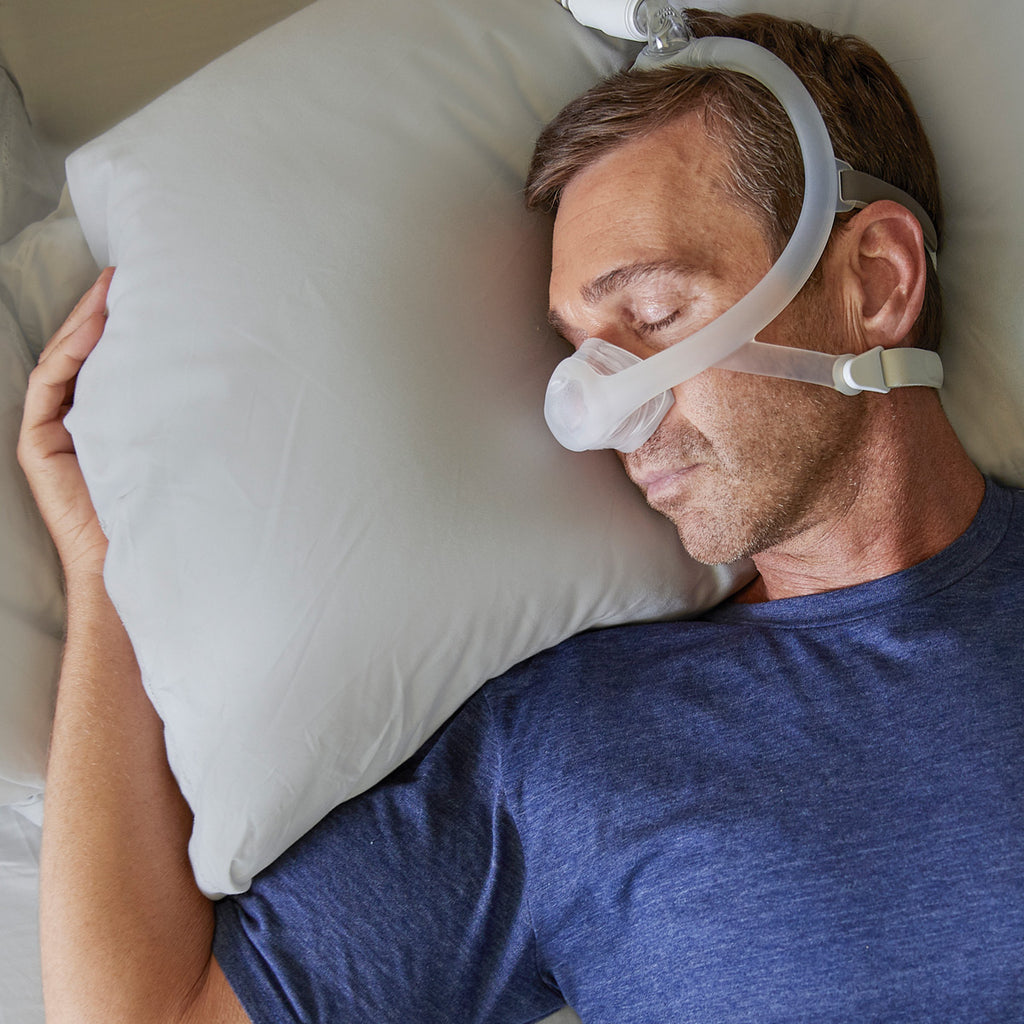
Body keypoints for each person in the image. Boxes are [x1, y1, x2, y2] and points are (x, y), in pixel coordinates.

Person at [18, 10, 1022, 1024]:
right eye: (581, 352)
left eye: (655, 314)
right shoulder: (568, 752)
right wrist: (112, 578)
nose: (606, 412)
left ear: (876, 282)